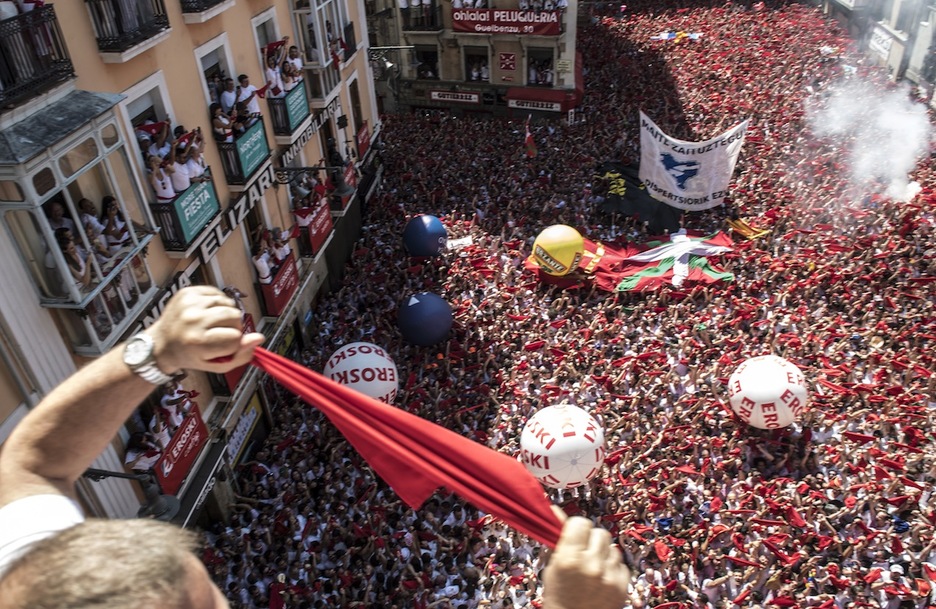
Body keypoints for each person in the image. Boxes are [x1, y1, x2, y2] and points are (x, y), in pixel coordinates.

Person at [0, 286, 266, 607]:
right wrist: (159, 350)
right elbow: (32, 467)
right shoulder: (21, 580)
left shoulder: (29, 579)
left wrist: (160, 349)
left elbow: (33, 466)